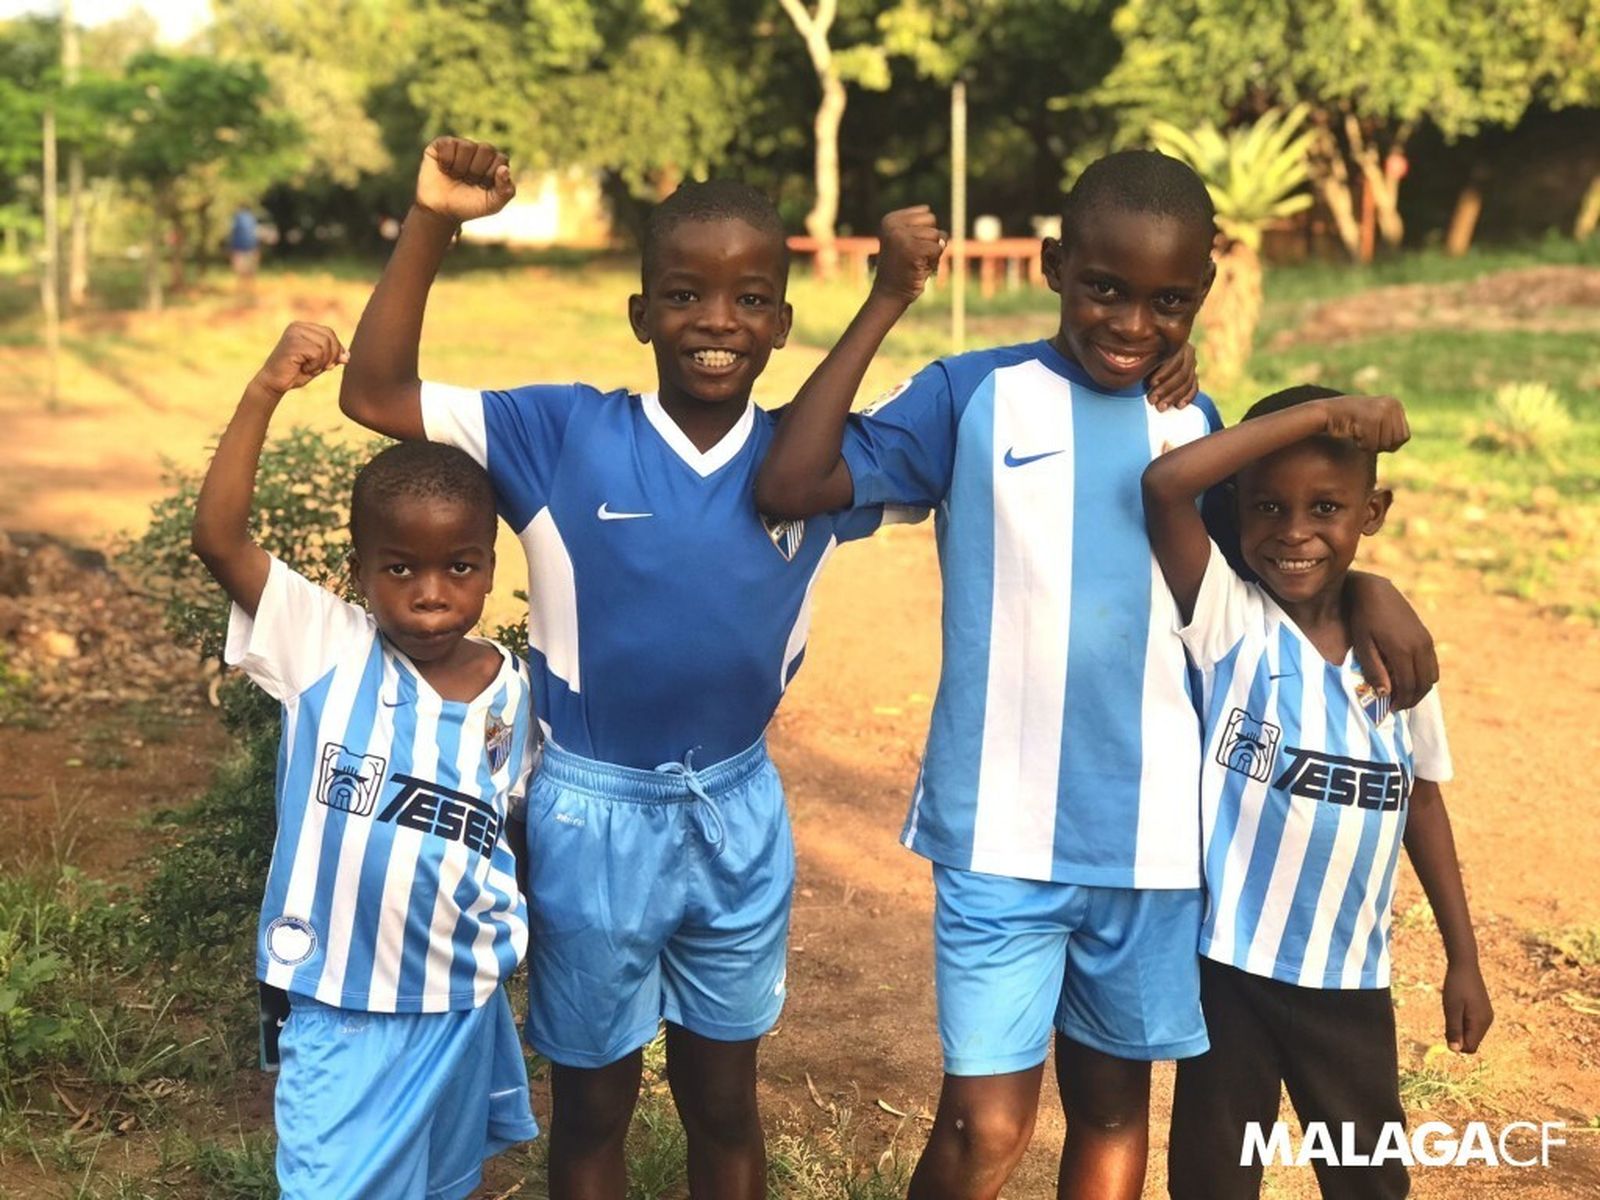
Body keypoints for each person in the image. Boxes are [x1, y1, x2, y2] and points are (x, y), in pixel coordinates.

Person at [752, 149, 1439, 1200]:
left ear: (1199, 298)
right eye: (1104, 289)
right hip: (997, 837)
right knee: (983, 1127)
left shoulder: (1195, 424)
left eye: (1165, 301)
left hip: (1156, 846)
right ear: (1051, 264)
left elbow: (1277, 564)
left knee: (1116, 1115)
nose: (1129, 324)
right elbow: (793, 481)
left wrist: (1371, 588)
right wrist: (888, 297)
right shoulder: (973, 395)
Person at [335, 138, 992, 1200]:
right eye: (685, 295)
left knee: (725, 1103)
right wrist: (433, 221)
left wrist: (1149, 361)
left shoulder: (818, 464)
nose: (718, 323)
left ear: (781, 322)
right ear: (641, 314)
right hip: (593, 811)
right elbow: (374, 390)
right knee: (594, 1108)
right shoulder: (560, 434)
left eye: (749, 300)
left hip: (738, 805)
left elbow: (1005, 407)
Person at [191, 321, 539, 1199]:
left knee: (440, 1183)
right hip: (342, 1002)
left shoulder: (515, 690)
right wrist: (264, 391)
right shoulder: (328, 648)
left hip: (462, 1000)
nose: (430, 592)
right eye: (401, 568)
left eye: (459, 566)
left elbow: (514, 829)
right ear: (358, 573)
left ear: (490, 570)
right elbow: (220, 542)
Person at [1142, 384, 1492, 1199]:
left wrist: (1463, 958)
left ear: (1373, 512)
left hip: (1350, 983)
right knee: (1213, 1180)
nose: (1294, 533)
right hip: (1230, 972)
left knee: (1368, 1183)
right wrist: (1316, 418)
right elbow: (1164, 488)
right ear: (1237, 506)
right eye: (1267, 506)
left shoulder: (1397, 662)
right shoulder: (1230, 622)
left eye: (1327, 507)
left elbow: (1423, 805)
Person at [230, 204, 261, 298]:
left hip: (240, 248)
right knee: (251, 271)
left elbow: (233, 233)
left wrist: (231, 248)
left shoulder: (237, 218)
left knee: (241, 271)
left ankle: (242, 290)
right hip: (251, 247)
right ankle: (251, 290)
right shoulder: (252, 218)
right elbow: (255, 234)